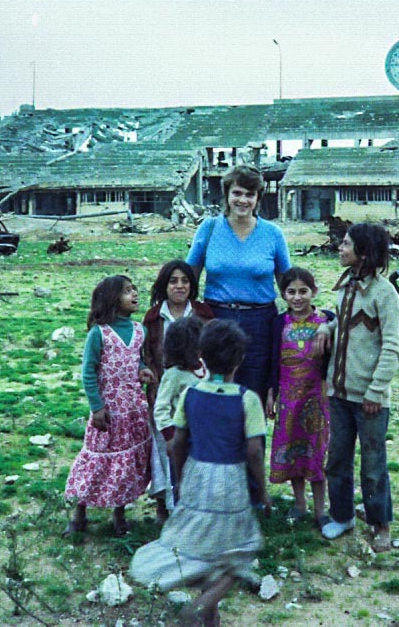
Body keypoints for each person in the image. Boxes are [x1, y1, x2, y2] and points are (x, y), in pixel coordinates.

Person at [129, 319, 270, 627]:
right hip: (230, 482)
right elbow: (254, 451)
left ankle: (210, 621)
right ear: (240, 359)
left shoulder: (192, 394)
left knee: (208, 554)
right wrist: (262, 489)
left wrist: (179, 479)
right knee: (237, 555)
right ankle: (201, 605)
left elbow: (178, 443)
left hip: (195, 476)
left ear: (202, 357)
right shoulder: (247, 400)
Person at [321, 223, 399, 553]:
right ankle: (342, 516)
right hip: (338, 393)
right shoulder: (344, 287)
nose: (340, 249)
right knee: (336, 459)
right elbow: (344, 323)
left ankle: (380, 523)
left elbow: (392, 346)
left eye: (346, 245)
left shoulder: (385, 294)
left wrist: (375, 391)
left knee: (372, 466)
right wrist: (325, 329)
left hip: (369, 399)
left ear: (364, 253)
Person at [186, 165, 291, 403]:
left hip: (260, 323)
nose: (243, 200)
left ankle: (251, 441)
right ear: (227, 194)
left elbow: (289, 284)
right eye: (237, 193)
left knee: (254, 395)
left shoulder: (273, 234)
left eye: (249, 194)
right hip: (217, 319)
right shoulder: (209, 228)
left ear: (258, 198)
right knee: (216, 392)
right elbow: (187, 276)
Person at [63, 275, 155, 537]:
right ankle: (79, 512)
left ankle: (119, 513)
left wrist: (143, 370)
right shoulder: (98, 333)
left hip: (133, 409)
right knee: (96, 458)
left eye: (134, 289)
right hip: (109, 410)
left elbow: (134, 360)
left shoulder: (140, 330)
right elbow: (88, 372)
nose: (134, 294)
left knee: (125, 460)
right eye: (127, 291)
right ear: (112, 298)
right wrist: (97, 407)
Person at [143, 260, 213, 522]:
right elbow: (147, 354)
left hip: (198, 396)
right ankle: (164, 503)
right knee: (164, 450)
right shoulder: (153, 317)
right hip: (163, 391)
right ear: (165, 285)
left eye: (185, 281)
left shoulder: (204, 314)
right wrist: (152, 383)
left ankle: (196, 507)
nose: (179, 286)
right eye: (173, 281)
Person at [266, 267, 335, 530]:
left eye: (303, 291)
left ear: (314, 292)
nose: (297, 297)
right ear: (283, 294)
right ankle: (299, 504)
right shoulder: (278, 323)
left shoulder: (325, 321)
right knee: (293, 450)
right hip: (288, 399)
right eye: (291, 292)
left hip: (316, 397)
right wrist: (271, 392)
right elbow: (273, 360)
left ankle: (321, 510)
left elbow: (333, 358)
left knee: (315, 452)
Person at [150, 316, 205, 516]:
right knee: (181, 480)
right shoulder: (173, 375)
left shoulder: (204, 368)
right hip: (180, 438)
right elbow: (161, 408)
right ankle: (182, 519)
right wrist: (170, 437)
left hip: (203, 437)